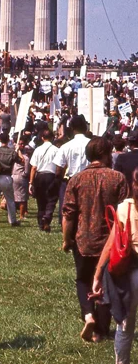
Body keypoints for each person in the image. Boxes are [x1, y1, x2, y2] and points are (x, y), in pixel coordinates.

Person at [62, 137, 127, 343]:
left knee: (83, 279)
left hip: (82, 238)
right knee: (108, 284)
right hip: (110, 240)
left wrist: (66, 239)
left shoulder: (76, 179)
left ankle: (88, 314)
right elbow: (124, 212)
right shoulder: (118, 178)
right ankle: (100, 330)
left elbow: (68, 214)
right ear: (107, 154)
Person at [92, 169, 138, 364]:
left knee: (125, 325)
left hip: (130, 270)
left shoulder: (125, 208)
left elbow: (111, 244)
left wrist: (97, 274)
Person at [54, 115, 91, 228]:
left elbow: (59, 168)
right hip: (89, 179)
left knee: (70, 208)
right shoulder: (91, 144)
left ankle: (68, 230)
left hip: (72, 180)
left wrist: (60, 179)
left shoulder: (66, 146)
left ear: (72, 128)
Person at [0, 133, 21, 228]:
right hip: (6, 177)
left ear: (0, 140)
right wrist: (17, 150)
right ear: (8, 140)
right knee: (10, 200)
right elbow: (21, 161)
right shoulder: (12, 152)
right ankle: (13, 220)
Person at [30, 129, 61, 232]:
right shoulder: (56, 150)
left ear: (42, 138)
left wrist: (31, 182)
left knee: (40, 200)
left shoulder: (37, 150)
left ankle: (40, 222)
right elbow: (59, 166)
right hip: (51, 176)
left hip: (39, 176)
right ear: (53, 138)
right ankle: (47, 217)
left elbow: (33, 167)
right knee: (51, 199)